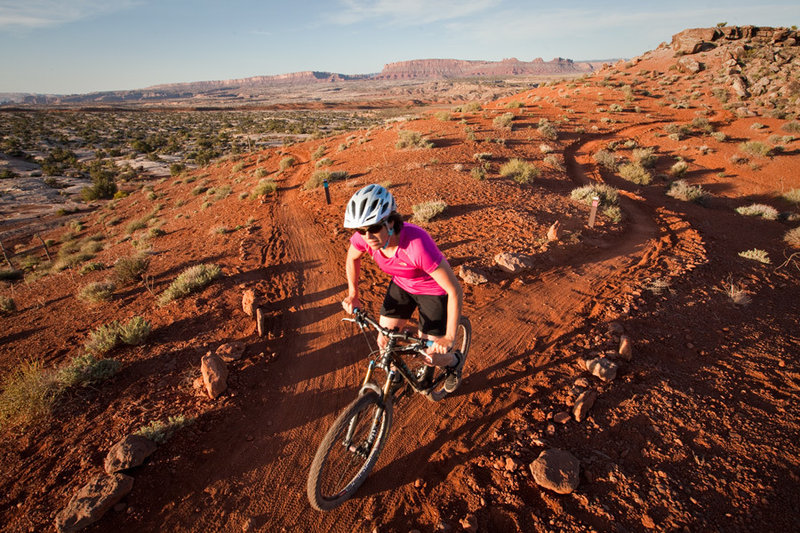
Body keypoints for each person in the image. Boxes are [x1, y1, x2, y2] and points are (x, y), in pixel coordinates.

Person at [340, 184, 465, 392]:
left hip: (432, 291)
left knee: (429, 356)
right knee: (384, 340)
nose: (367, 237)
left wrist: (449, 338)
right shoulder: (364, 239)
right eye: (360, 231)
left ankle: (454, 363)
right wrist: (353, 294)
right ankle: (395, 375)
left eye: (373, 228)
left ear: (390, 222)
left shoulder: (417, 246)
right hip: (402, 284)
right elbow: (352, 258)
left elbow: (454, 290)